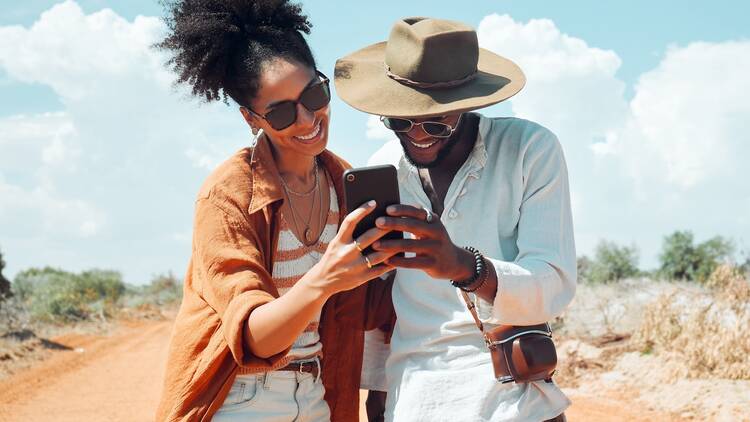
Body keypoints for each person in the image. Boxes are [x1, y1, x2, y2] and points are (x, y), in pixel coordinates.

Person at [155, 1, 395, 420]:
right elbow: (256, 339)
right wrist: (324, 279)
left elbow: (372, 310)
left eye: (314, 94)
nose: (307, 120)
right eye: (281, 113)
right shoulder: (227, 196)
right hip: (238, 395)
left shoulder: (345, 183)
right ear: (252, 119)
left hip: (320, 392)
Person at [335, 17, 577, 421]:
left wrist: (465, 266)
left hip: (512, 400)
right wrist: (378, 392)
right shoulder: (383, 168)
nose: (417, 135)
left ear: (466, 105)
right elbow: (382, 303)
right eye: (399, 121)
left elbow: (554, 284)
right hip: (415, 399)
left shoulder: (528, 149)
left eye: (436, 122)